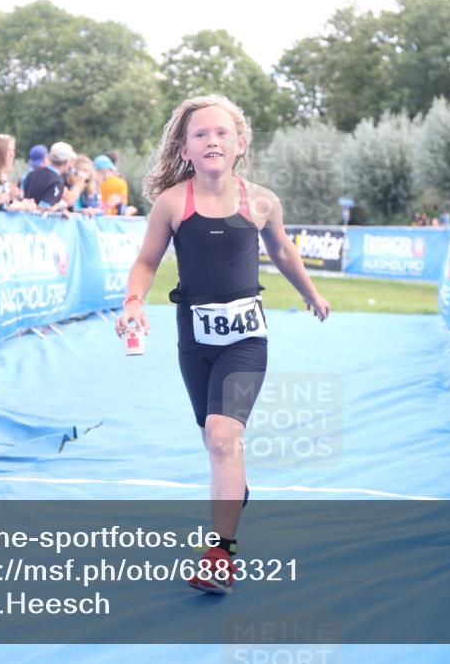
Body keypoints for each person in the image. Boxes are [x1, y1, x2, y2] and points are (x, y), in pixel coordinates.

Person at [115, 94, 330, 594]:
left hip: (246, 340)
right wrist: (133, 301)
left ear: (240, 144)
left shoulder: (261, 201)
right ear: (185, 149)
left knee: (221, 434)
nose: (212, 140)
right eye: (200, 134)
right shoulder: (173, 203)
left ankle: (220, 554)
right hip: (194, 339)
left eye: (221, 133)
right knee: (214, 437)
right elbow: (147, 261)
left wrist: (310, 292)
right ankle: (236, 494)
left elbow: (282, 251)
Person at [0, 134, 36, 212]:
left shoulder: (3, 176)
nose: (12, 154)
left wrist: (18, 200)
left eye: (13, 150)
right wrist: (24, 206)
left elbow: (7, 202)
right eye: (8, 151)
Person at [22, 141, 75, 212]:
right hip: (39, 222)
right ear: (67, 162)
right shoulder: (56, 181)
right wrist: (61, 205)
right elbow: (43, 209)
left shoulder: (32, 173)